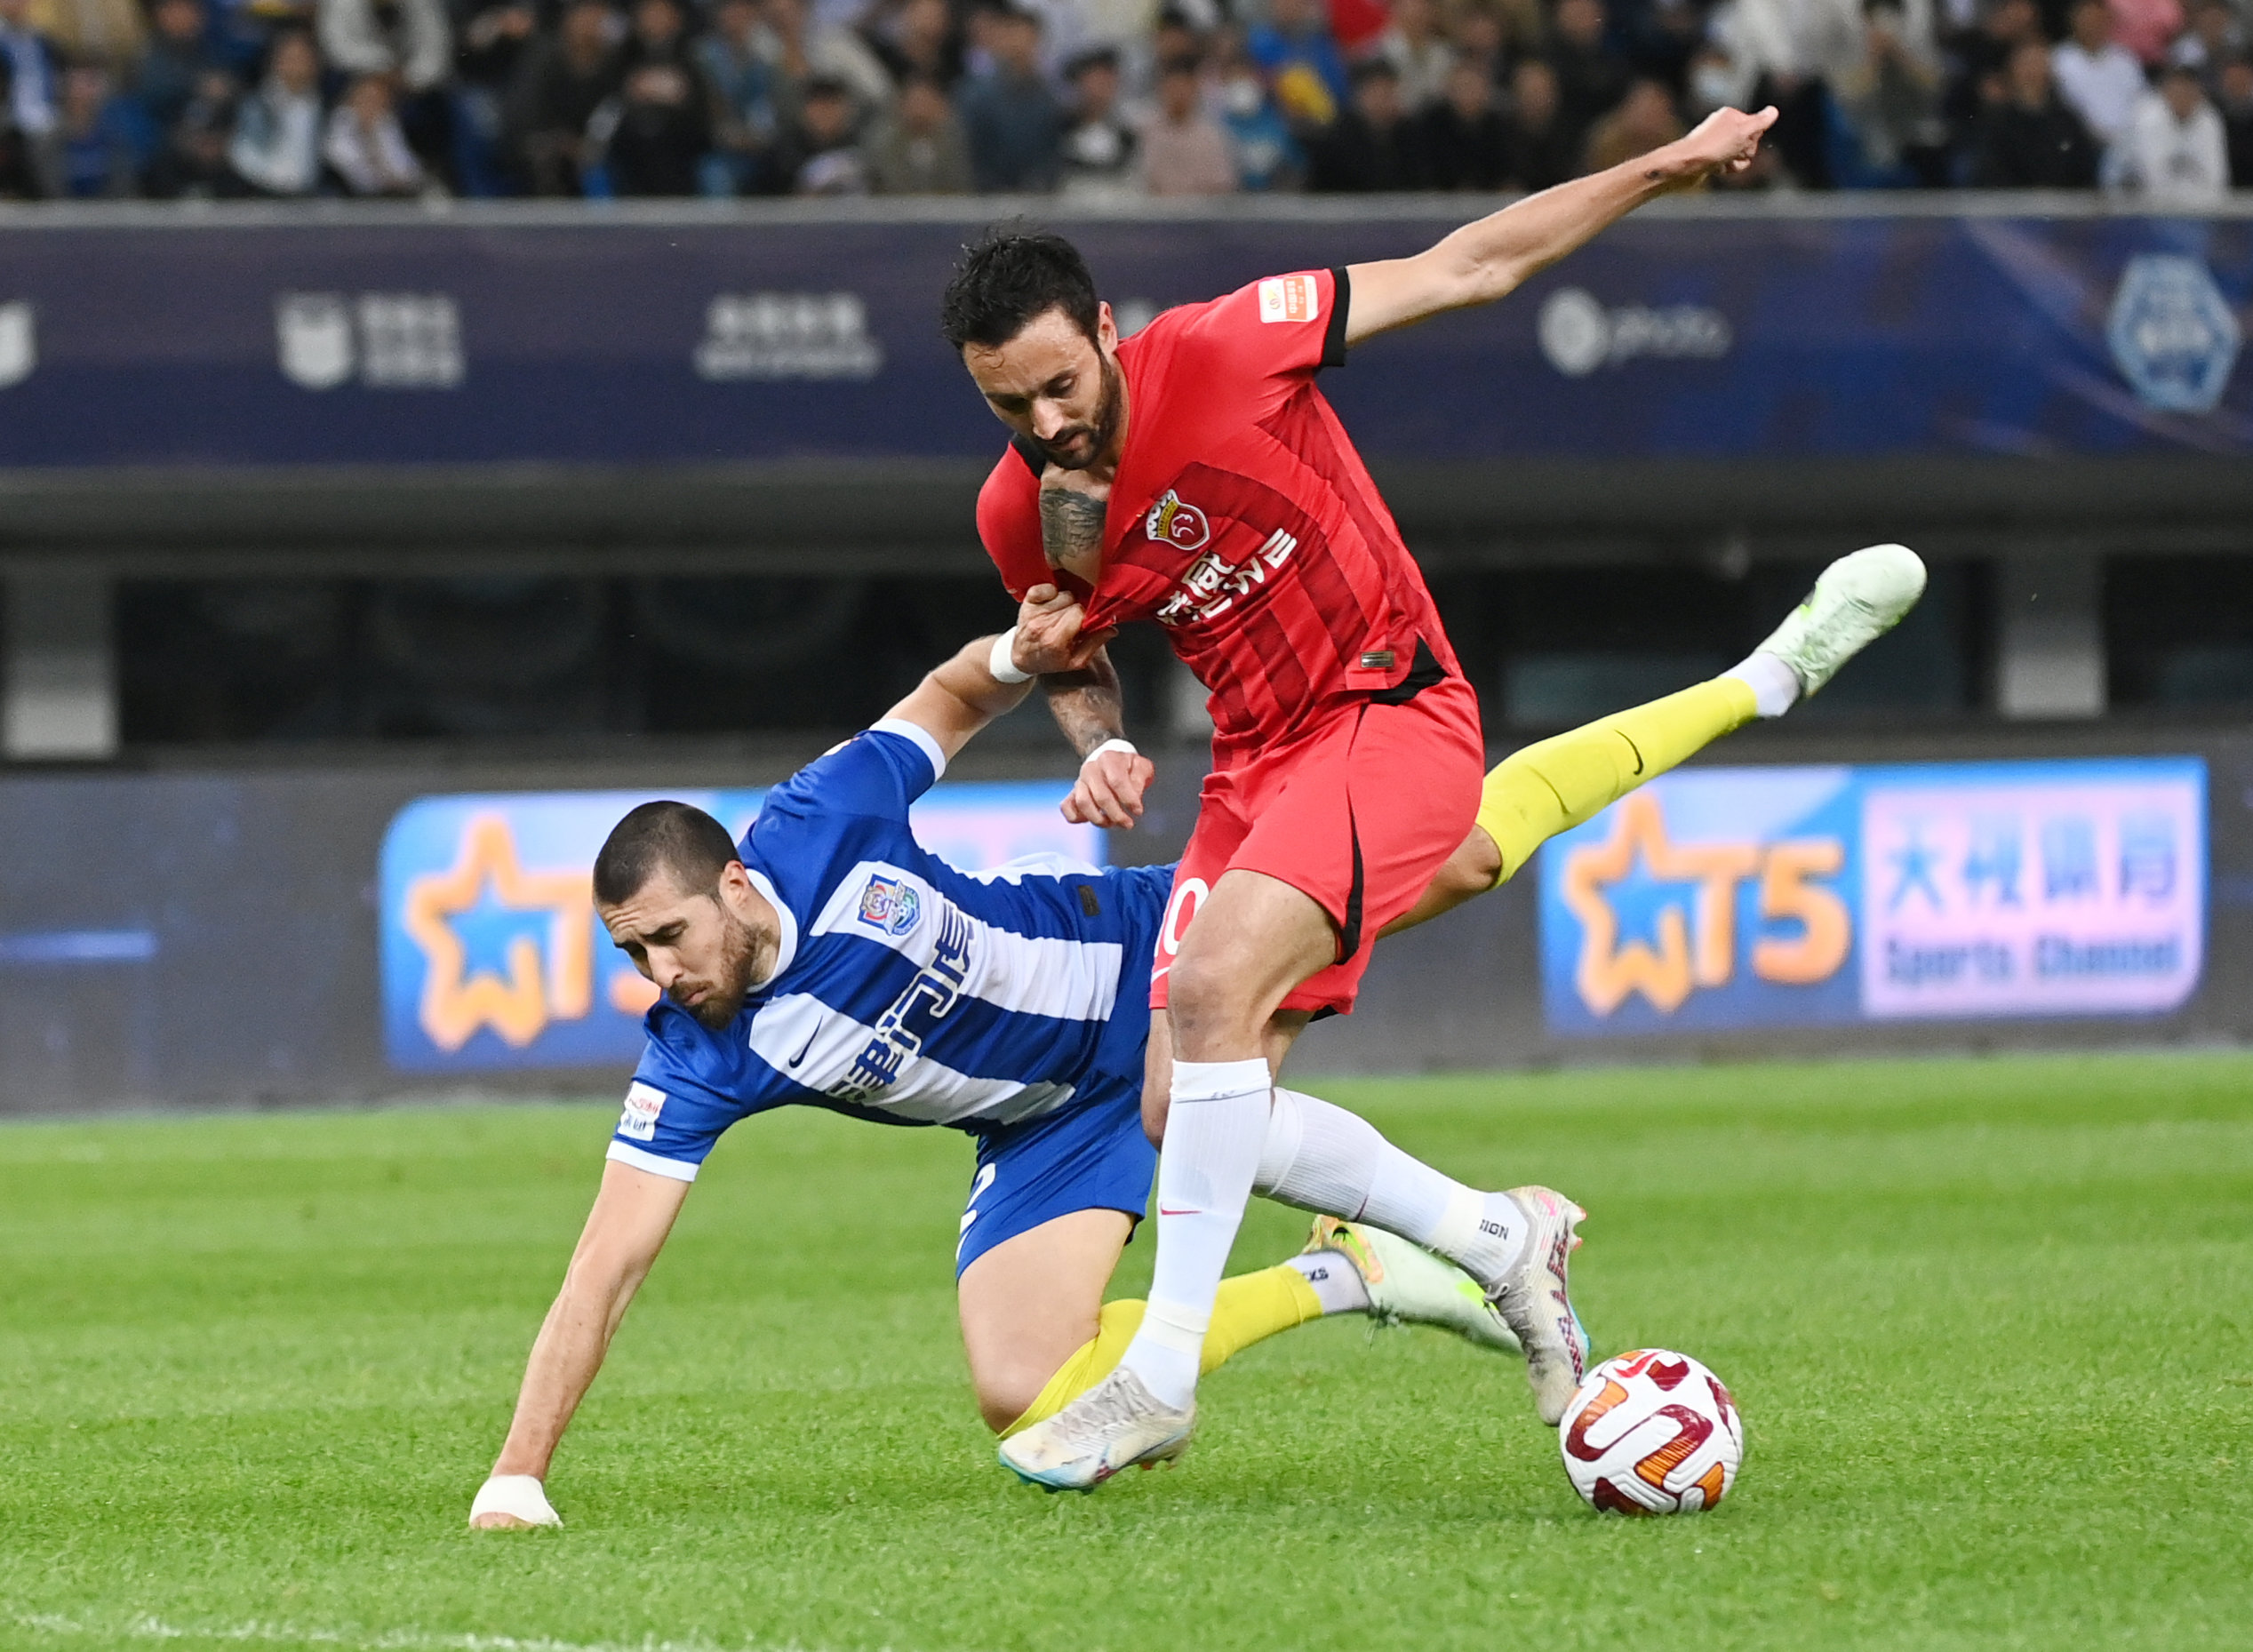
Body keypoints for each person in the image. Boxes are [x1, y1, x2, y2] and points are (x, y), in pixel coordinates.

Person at [467, 554, 1922, 1525]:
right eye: (633, 957)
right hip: (1042, 1120)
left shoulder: (816, 819)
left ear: (730, 882)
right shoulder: (696, 1053)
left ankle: (1763, 676)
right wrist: (517, 1474)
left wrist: (1028, 663)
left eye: (668, 937)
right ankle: (1356, 1270)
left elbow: (954, 695)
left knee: (1467, 855)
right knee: (1019, 1387)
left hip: (1163, 946)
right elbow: (607, 1267)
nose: (660, 974)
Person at [941, 107, 1919, 1490]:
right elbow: (1072, 651)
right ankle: (1496, 1240)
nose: (1045, 424)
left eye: (1057, 386)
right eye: (1007, 406)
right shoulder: (1018, 508)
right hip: (1253, 766)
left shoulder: (1228, 345)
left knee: (1213, 987)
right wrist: (1088, 735)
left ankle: (1155, 1379)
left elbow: (1470, 265)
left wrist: (1655, 164)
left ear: (1104, 328)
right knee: (1183, 1097)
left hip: (1386, 708)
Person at [504, 0, 620, 195]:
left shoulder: (612, 63)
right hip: (537, 139)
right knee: (550, 159)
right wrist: (564, 141)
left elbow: (610, 111)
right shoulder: (544, 58)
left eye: (597, 17)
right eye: (585, 16)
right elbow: (527, 113)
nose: (590, 24)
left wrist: (588, 143)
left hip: (588, 143)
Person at [956, 4, 1063, 189]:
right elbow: (970, 154)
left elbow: (1051, 152)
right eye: (1013, 36)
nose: (1019, 45)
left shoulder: (1047, 98)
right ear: (1000, 41)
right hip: (985, 200)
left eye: (1027, 37)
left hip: (1036, 200)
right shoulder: (974, 95)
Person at [1971, 38, 2099, 185]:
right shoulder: (1997, 122)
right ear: (2012, 70)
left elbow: (2083, 169)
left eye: (2039, 64)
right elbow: (1990, 173)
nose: (2033, 71)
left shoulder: (2067, 121)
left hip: (2061, 203)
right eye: (2027, 64)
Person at [2107, 57, 2230, 197]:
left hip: (2196, 209)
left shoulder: (2210, 119)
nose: (2183, 96)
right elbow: (2152, 178)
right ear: (2165, 91)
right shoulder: (2147, 117)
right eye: (2178, 89)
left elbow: (2217, 178)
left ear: (2199, 92)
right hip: (2134, 202)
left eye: (2188, 89)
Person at [1306, 57, 1429, 190]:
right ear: (1361, 94)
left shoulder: (1408, 133)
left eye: (1390, 92)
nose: (1387, 100)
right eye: (1381, 93)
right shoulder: (1336, 139)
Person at [227, 28, 324, 196]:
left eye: (302, 58)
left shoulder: (322, 106)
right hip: (262, 195)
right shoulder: (256, 104)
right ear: (275, 61)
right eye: (290, 58)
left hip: (309, 198)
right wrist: (273, 185)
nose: (296, 65)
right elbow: (243, 153)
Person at [2051, 0, 2149, 148]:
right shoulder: (2059, 60)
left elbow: (2142, 101)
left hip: (2128, 142)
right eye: (2087, 19)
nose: (2093, 25)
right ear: (2073, 21)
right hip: (2081, 141)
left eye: (2099, 19)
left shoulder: (2125, 60)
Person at [1137, 52, 1234, 194]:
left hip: (1199, 212)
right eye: (1173, 88)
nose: (1178, 94)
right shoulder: (1144, 131)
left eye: (1184, 88)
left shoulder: (1211, 137)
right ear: (1162, 89)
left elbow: (1221, 186)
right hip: (1153, 211)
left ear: (1194, 90)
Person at [863, 68, 971, 190]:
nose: (920, 109)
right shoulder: (885, 143)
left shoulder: (953, 141)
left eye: (927, 101)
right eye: (916, 101)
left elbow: (960, 182)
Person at [1418, 57, 1513, 191]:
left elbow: (1507, 174)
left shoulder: (1500, 126)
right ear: (1449, 90)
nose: (1468, 93)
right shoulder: (1432, 125)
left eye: (1474, 86)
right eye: (1462, 86)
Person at [324, 71, 425, 193]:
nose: (372, 105)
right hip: (351, 195)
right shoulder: (341, 120)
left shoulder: (386, 124)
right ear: (353, 98)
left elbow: (409, 168)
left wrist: (399, 179)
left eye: (379, 100)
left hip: (392, 195)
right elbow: (342, 161)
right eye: (367, 98)